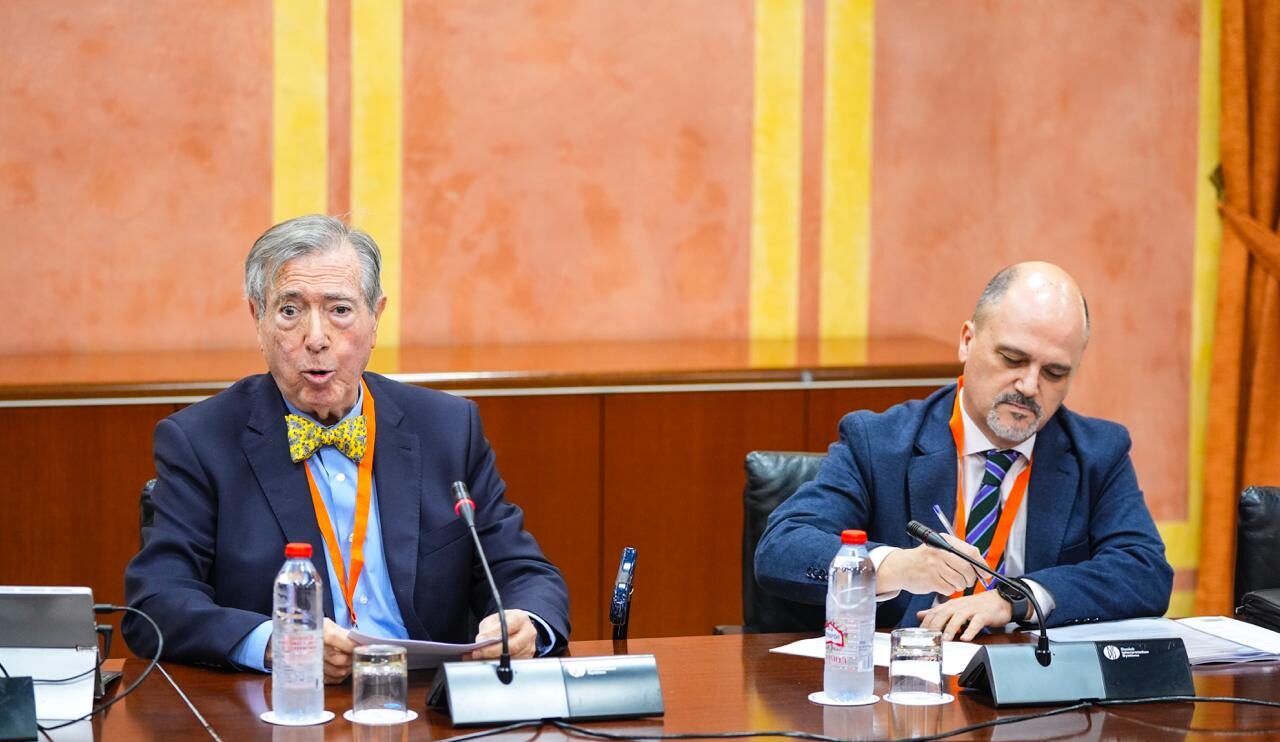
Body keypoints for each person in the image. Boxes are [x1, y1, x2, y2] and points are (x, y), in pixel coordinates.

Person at [123, 215, 569, 681]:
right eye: (290, 311)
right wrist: (278, 644)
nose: (316, 339)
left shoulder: (448, 428)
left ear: (375, 318)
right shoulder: (200, 441)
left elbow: (524, 572)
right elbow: (157, 603)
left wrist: (526, 623)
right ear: (258, 320)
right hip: (286, 702)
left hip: (428, 700)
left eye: (339, 309)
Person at [754, 262, 1172, 640]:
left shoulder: (1097, 453)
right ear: (967, 341)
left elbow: (1144, 572)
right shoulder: (878, 442)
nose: (1029, 386)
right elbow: (782, 549)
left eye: (1054, 372)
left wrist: (1017, 598)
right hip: (903, 688)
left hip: (1027, 696)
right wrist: (897, 567)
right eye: (1012, 358)